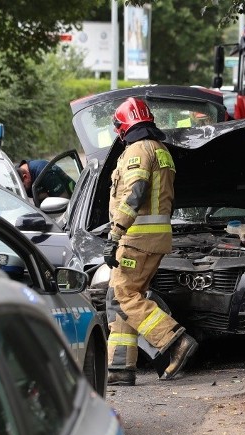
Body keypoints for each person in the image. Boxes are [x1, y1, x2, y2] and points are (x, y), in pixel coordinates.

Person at [102, 97, 198, 386]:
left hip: (136, 238)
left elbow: (136, 192)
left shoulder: (137, 151)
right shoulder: (160, 149)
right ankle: (120, 367)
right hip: (155, 237)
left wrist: (115, 234)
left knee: (123, 296)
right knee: (121, 297)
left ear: (124, 126)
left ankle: (175, 341)